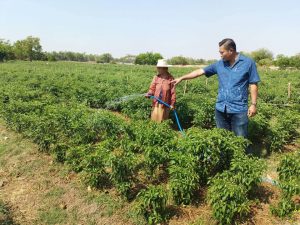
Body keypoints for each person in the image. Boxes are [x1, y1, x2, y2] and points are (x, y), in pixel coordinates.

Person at [172, 38, 260, 139]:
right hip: (221, 108)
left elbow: (253, 84)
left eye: (222, 52)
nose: (220, 55)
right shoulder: (219, 64)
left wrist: (253, 104)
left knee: (240, 139)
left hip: (238, 109)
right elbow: (200, 71)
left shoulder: (248, 63)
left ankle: (241, 154)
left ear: (231, 50)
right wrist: (182, 78)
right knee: (222, 138)